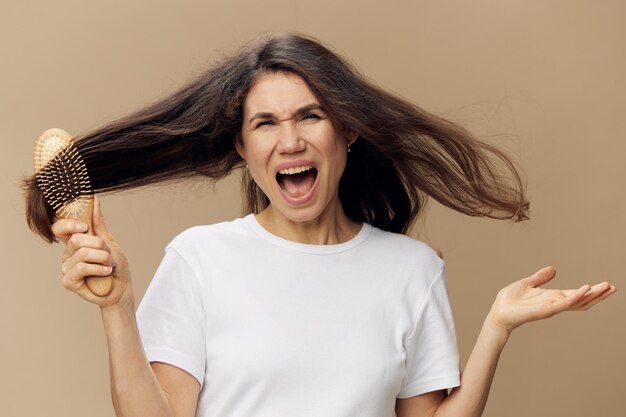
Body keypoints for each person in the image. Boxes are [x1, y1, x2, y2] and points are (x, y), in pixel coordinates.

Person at [30, 33, 615, 417]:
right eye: (265, 123)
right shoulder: (199, 259)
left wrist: (496, 328)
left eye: (310, 115)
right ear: (243, 145)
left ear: (348, 131)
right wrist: (118, 307)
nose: (290, 140)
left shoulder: (411, 270)